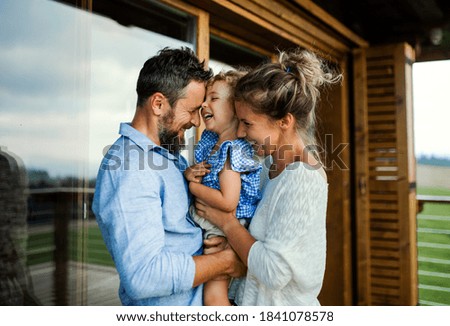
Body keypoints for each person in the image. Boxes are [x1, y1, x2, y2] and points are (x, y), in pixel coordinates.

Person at [92, 47, 246, 306]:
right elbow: (144, 275)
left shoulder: (170, 157)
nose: (197, 122)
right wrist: (226, 262)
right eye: (192, 110)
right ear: (159, 104)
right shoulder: (130, 168)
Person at [195, 48, 342, 305]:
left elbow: (274, 272)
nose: (240, 133)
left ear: (284, 121)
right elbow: (252, 252)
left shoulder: (302, 179)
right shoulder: (265, 167)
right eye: (238, 121)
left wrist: (227, 224)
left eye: (248, 123)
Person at [184, 70, 262, 306]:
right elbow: (201, 172)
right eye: (205, 99)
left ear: (236, 109)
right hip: (213, 223)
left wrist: (192, 187)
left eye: (214, 98)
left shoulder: (232, 151)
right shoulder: (212, 143)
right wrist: (191, 173)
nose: (204, 104)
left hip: (224, 227)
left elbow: (228, 201)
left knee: (214, 296)